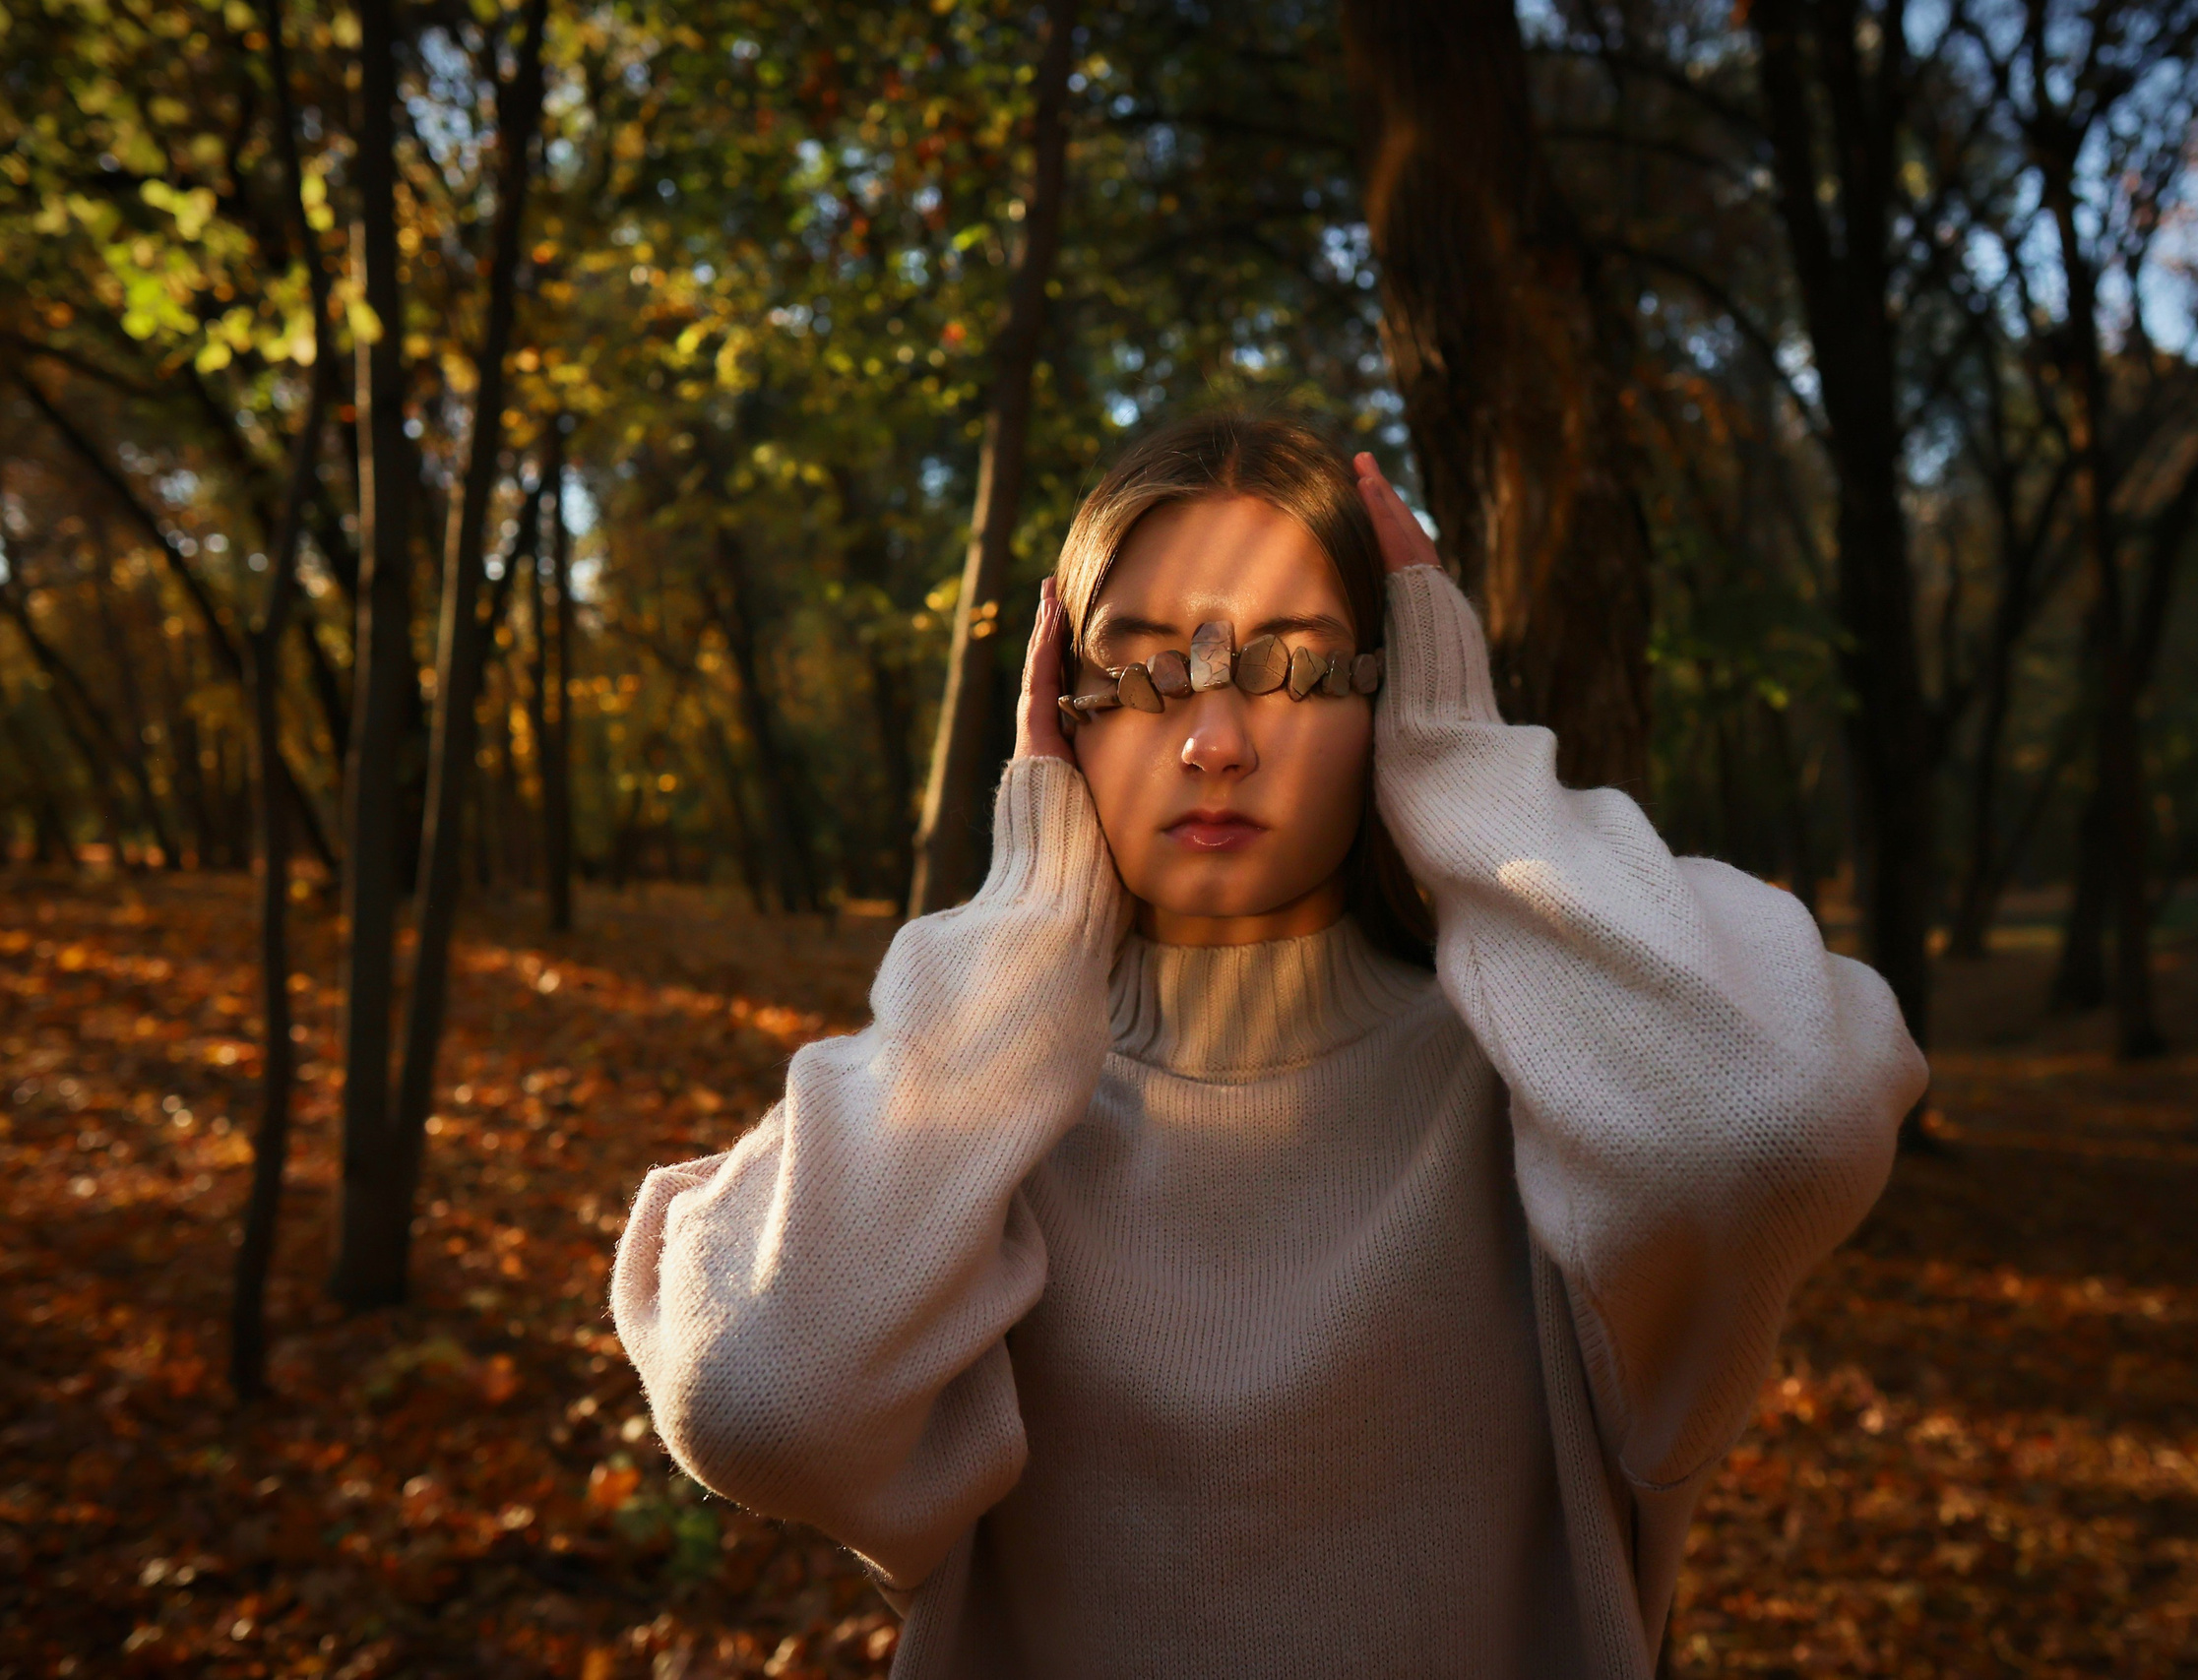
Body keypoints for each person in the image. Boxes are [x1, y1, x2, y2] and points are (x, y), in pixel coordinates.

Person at [610, 411, 1926, 1678]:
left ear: (1391, 704)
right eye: (1136, 671)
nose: (1216, 741)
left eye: (1294, 665)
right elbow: (761, 1395)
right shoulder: (963, 1128)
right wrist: (1026, 922)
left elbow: (1770, 1134)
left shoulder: (1552, 1094)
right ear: (1059, 717)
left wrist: (1472, 775)